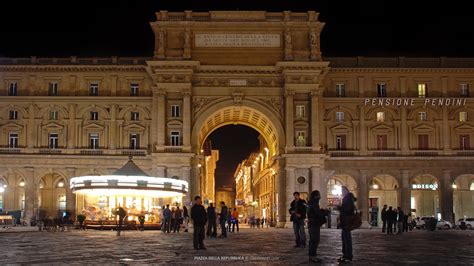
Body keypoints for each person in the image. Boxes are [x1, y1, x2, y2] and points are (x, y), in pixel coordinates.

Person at [307, 190, 327, 263]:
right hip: (314, 224)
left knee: (313, 240)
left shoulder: (311, 203)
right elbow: (317, 214)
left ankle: (311, 256)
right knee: (315, 240)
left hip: (312, 224)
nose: (320, 197)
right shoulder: (314, 203)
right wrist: (325, 212)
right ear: (315, 196)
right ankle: (313, 256)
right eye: (319, 195)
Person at [337, 186, 356, 263]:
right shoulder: (346, 198)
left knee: (347, 240)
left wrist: (340, 208)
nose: (342, 192)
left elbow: (348, 210)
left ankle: (348, 256)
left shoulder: (348, 199)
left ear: (346, 191)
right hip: (344, 222)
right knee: (344, 239)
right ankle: (345, 255)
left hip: (346, 222)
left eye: (342, 190)